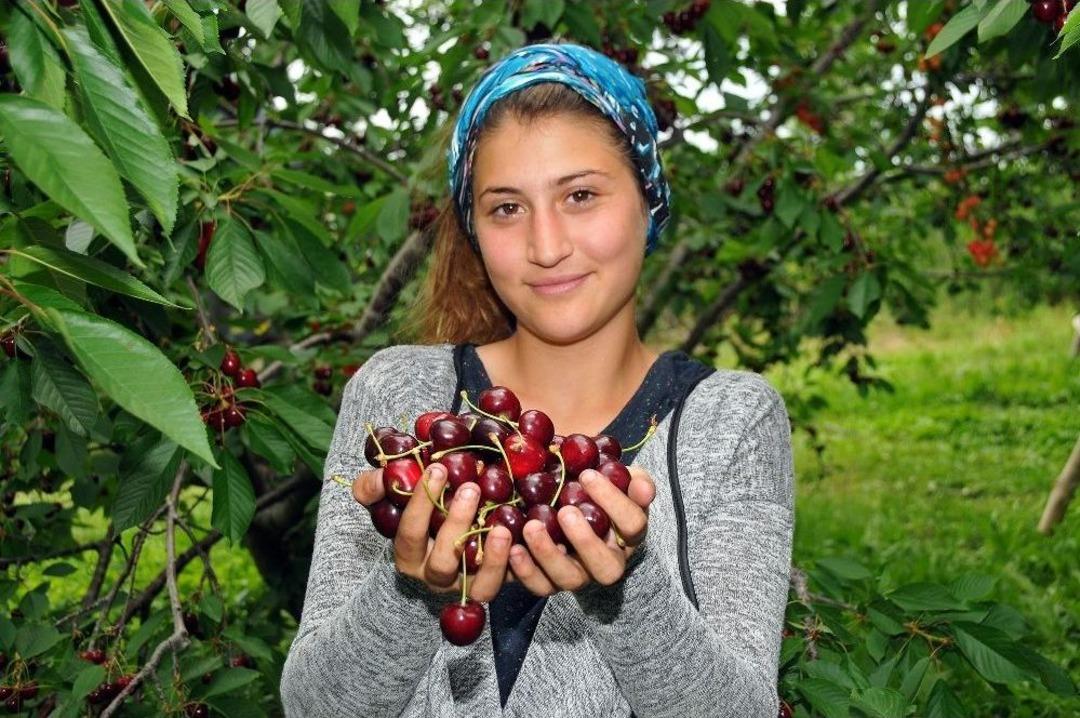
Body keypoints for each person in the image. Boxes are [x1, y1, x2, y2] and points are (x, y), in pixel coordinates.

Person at [280, 41, 795, 718]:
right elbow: (316, 707)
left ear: (648, 199)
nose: (546, 245)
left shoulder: (731, 421)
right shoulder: (402, 406)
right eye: (506, 208)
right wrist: (411, 586)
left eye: (580, 195)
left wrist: (626, 589)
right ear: (474, 228)